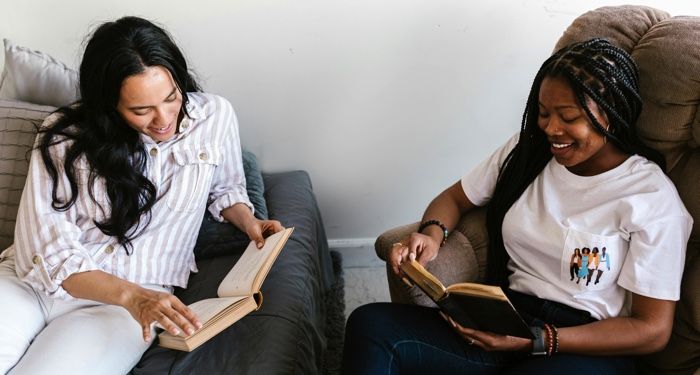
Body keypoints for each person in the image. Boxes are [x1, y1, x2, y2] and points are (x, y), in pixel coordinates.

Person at [342, 38, 692, 374]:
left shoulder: (649, 199)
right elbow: (453, 198)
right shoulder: (527, 153)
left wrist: (538, 341)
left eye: (568, 117)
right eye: (543, 113)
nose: (551, 129)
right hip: (507, 317)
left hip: (585, 345)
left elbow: (652, 330)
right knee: (372, 326)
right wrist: (432, 235)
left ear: (611, 116)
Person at [0, 16, 283, 374]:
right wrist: (132, 296)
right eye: (141, 110)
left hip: (122, 309)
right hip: (34, 285)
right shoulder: (63, 135)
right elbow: (44, 248)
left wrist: (249, 221)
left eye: (171, 98)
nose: (163, 118)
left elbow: (225, 188)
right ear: (109, 105)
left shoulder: (215, 116)